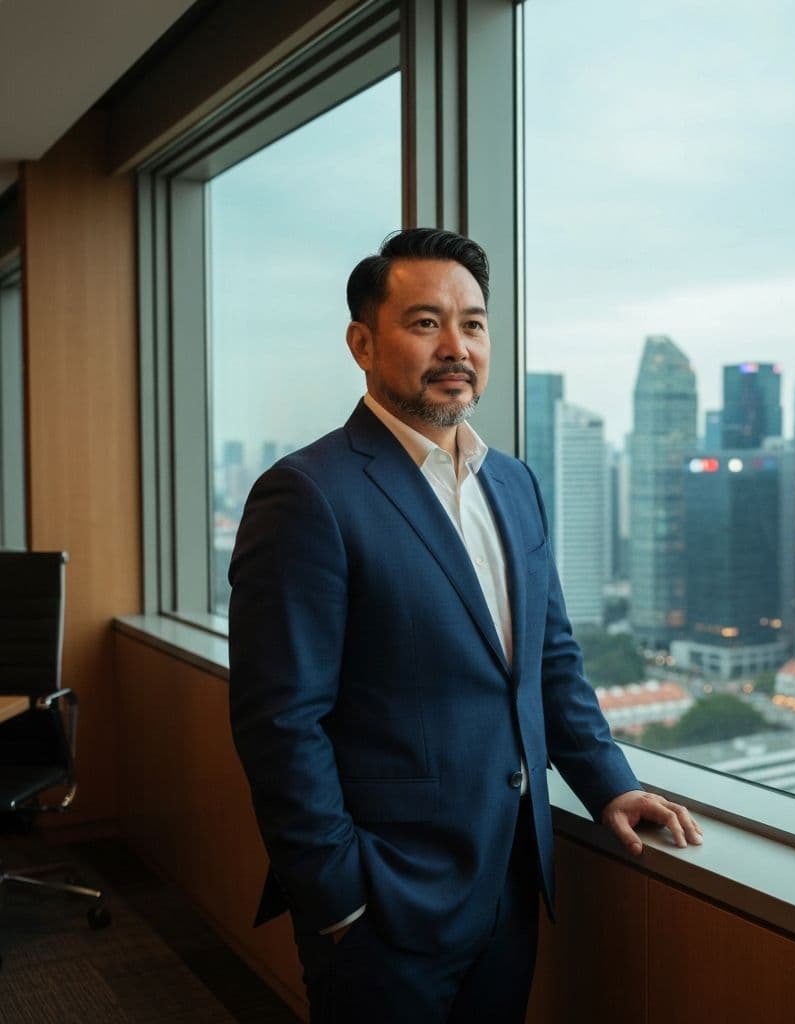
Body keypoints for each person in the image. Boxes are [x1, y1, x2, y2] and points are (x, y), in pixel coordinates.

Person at [228, 227, 702, 1023]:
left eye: (473, 323)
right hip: (382, 903)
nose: (456, 346)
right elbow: (280, 722)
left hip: (509, 886)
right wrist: (338, 900)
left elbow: (550, 662)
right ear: (362, 343)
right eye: (424, 323)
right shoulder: (308, 494)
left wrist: (611, 784)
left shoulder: (512, 483)